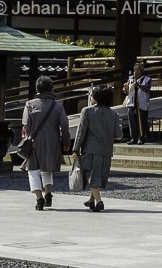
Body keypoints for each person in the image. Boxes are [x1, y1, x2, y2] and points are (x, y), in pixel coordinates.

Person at [20, 76, 69, 210]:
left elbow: (26, 125)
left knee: (33, 170)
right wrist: (66, 142)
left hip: (35, 142)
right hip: (52, 142)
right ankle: (48, 193)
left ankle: (39, 198)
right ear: (51, 89)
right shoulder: (58, 106)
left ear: (37, 89)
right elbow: (64, 125)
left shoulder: (29, 104)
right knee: (47, 168)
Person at [72, 85, 118, 212]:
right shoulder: (113, 114)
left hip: (90, 150)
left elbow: (81, 132)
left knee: (91, 177)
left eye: (92, 95)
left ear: (96, 98)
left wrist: (75, 149)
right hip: (106, 151)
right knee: (97, 177)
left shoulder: (87, 111)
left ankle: (99, 201)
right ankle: (91, 200)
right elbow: (118, 134)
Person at [123, 63, 151, 145]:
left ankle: (141, 137)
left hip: (142, 103)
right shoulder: (130, 78)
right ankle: (133, 137)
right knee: (132, 121)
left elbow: (147, 89)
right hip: (132, 102)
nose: (137, 71)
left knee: (142, 121)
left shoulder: (147, 79)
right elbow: (127, 90)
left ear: (142, 70)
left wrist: (139, 85)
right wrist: (125, 89)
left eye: (139, 69)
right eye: (135, 69)